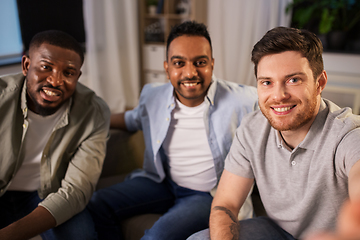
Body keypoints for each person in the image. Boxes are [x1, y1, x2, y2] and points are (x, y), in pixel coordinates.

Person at [87, 21, 258, 240]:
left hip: (207, 195)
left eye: (200, 62)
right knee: (97, 204)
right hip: (161, 181)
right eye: (179, 63)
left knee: (156, 237)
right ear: (167, 68)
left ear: (212, 64)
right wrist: (92, 119)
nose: (190, 72)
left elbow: (279, 114)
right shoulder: (153, 96)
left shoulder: (243, 100)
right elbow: (133, 119)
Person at [188, 26, 360, 240]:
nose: (278, 96)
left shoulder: (347, 133)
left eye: (293, 80)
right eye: (267, 83)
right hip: (276, 232)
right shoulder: (252, 129)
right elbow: (226, 204)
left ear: (320, 82)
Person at [0, 30, 111, 240]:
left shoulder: (94, 112)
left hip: (47, 194)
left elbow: (77, 190)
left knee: (82, 237)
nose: (55, 80)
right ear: (26, 66)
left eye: (68, 72)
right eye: (46, 67)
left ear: (77, 76)